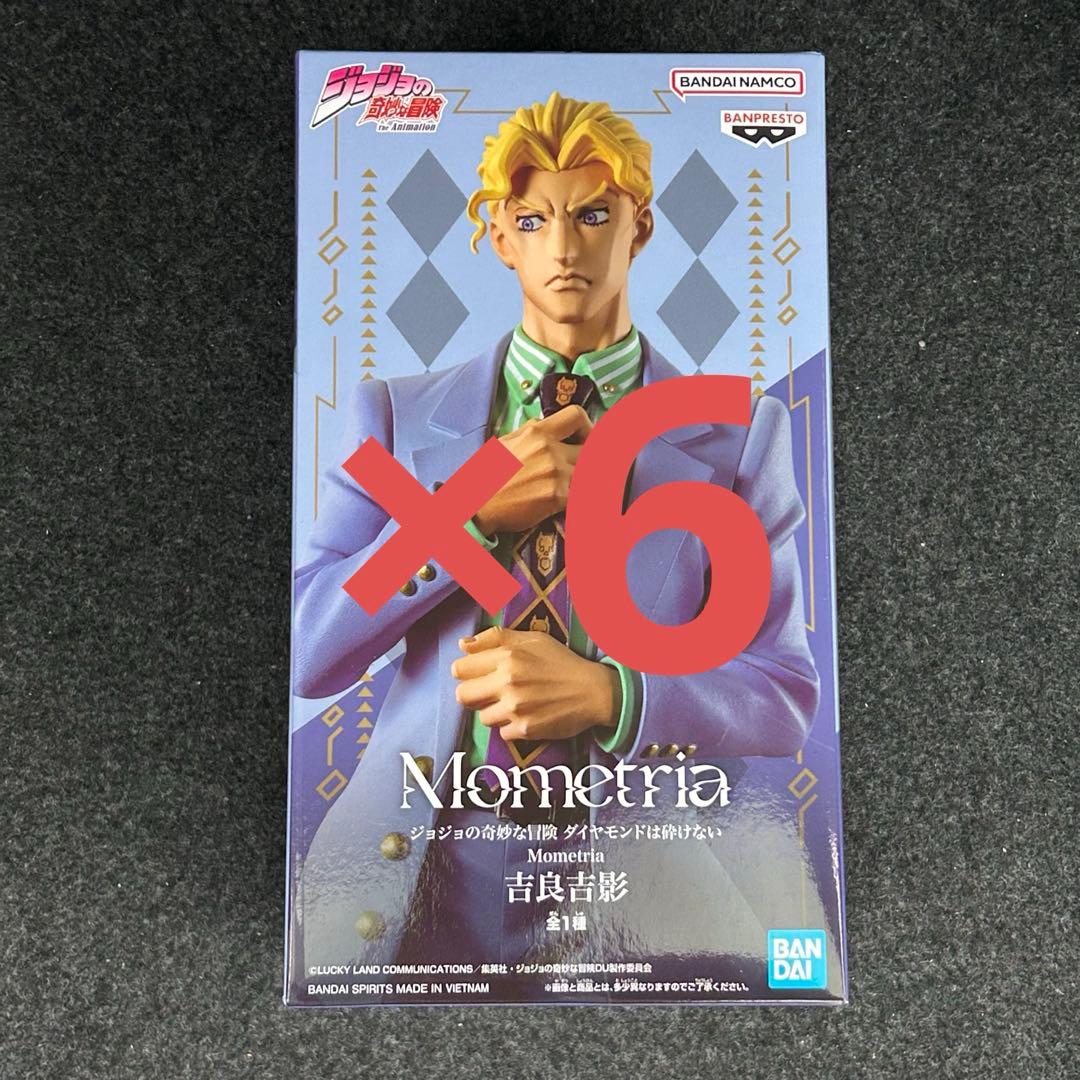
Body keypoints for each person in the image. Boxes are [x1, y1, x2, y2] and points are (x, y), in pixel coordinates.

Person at [292, 92, 819, 980]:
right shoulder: (397, 416)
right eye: (534, 221)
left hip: (638, 889)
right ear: (501, 238)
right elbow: (310, 651)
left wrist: (613, 696)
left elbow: (784, 691)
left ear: (641, 227)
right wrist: (466, 513)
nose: (565, 248)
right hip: (408, 870)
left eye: (593, 215)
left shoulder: (738, 438)